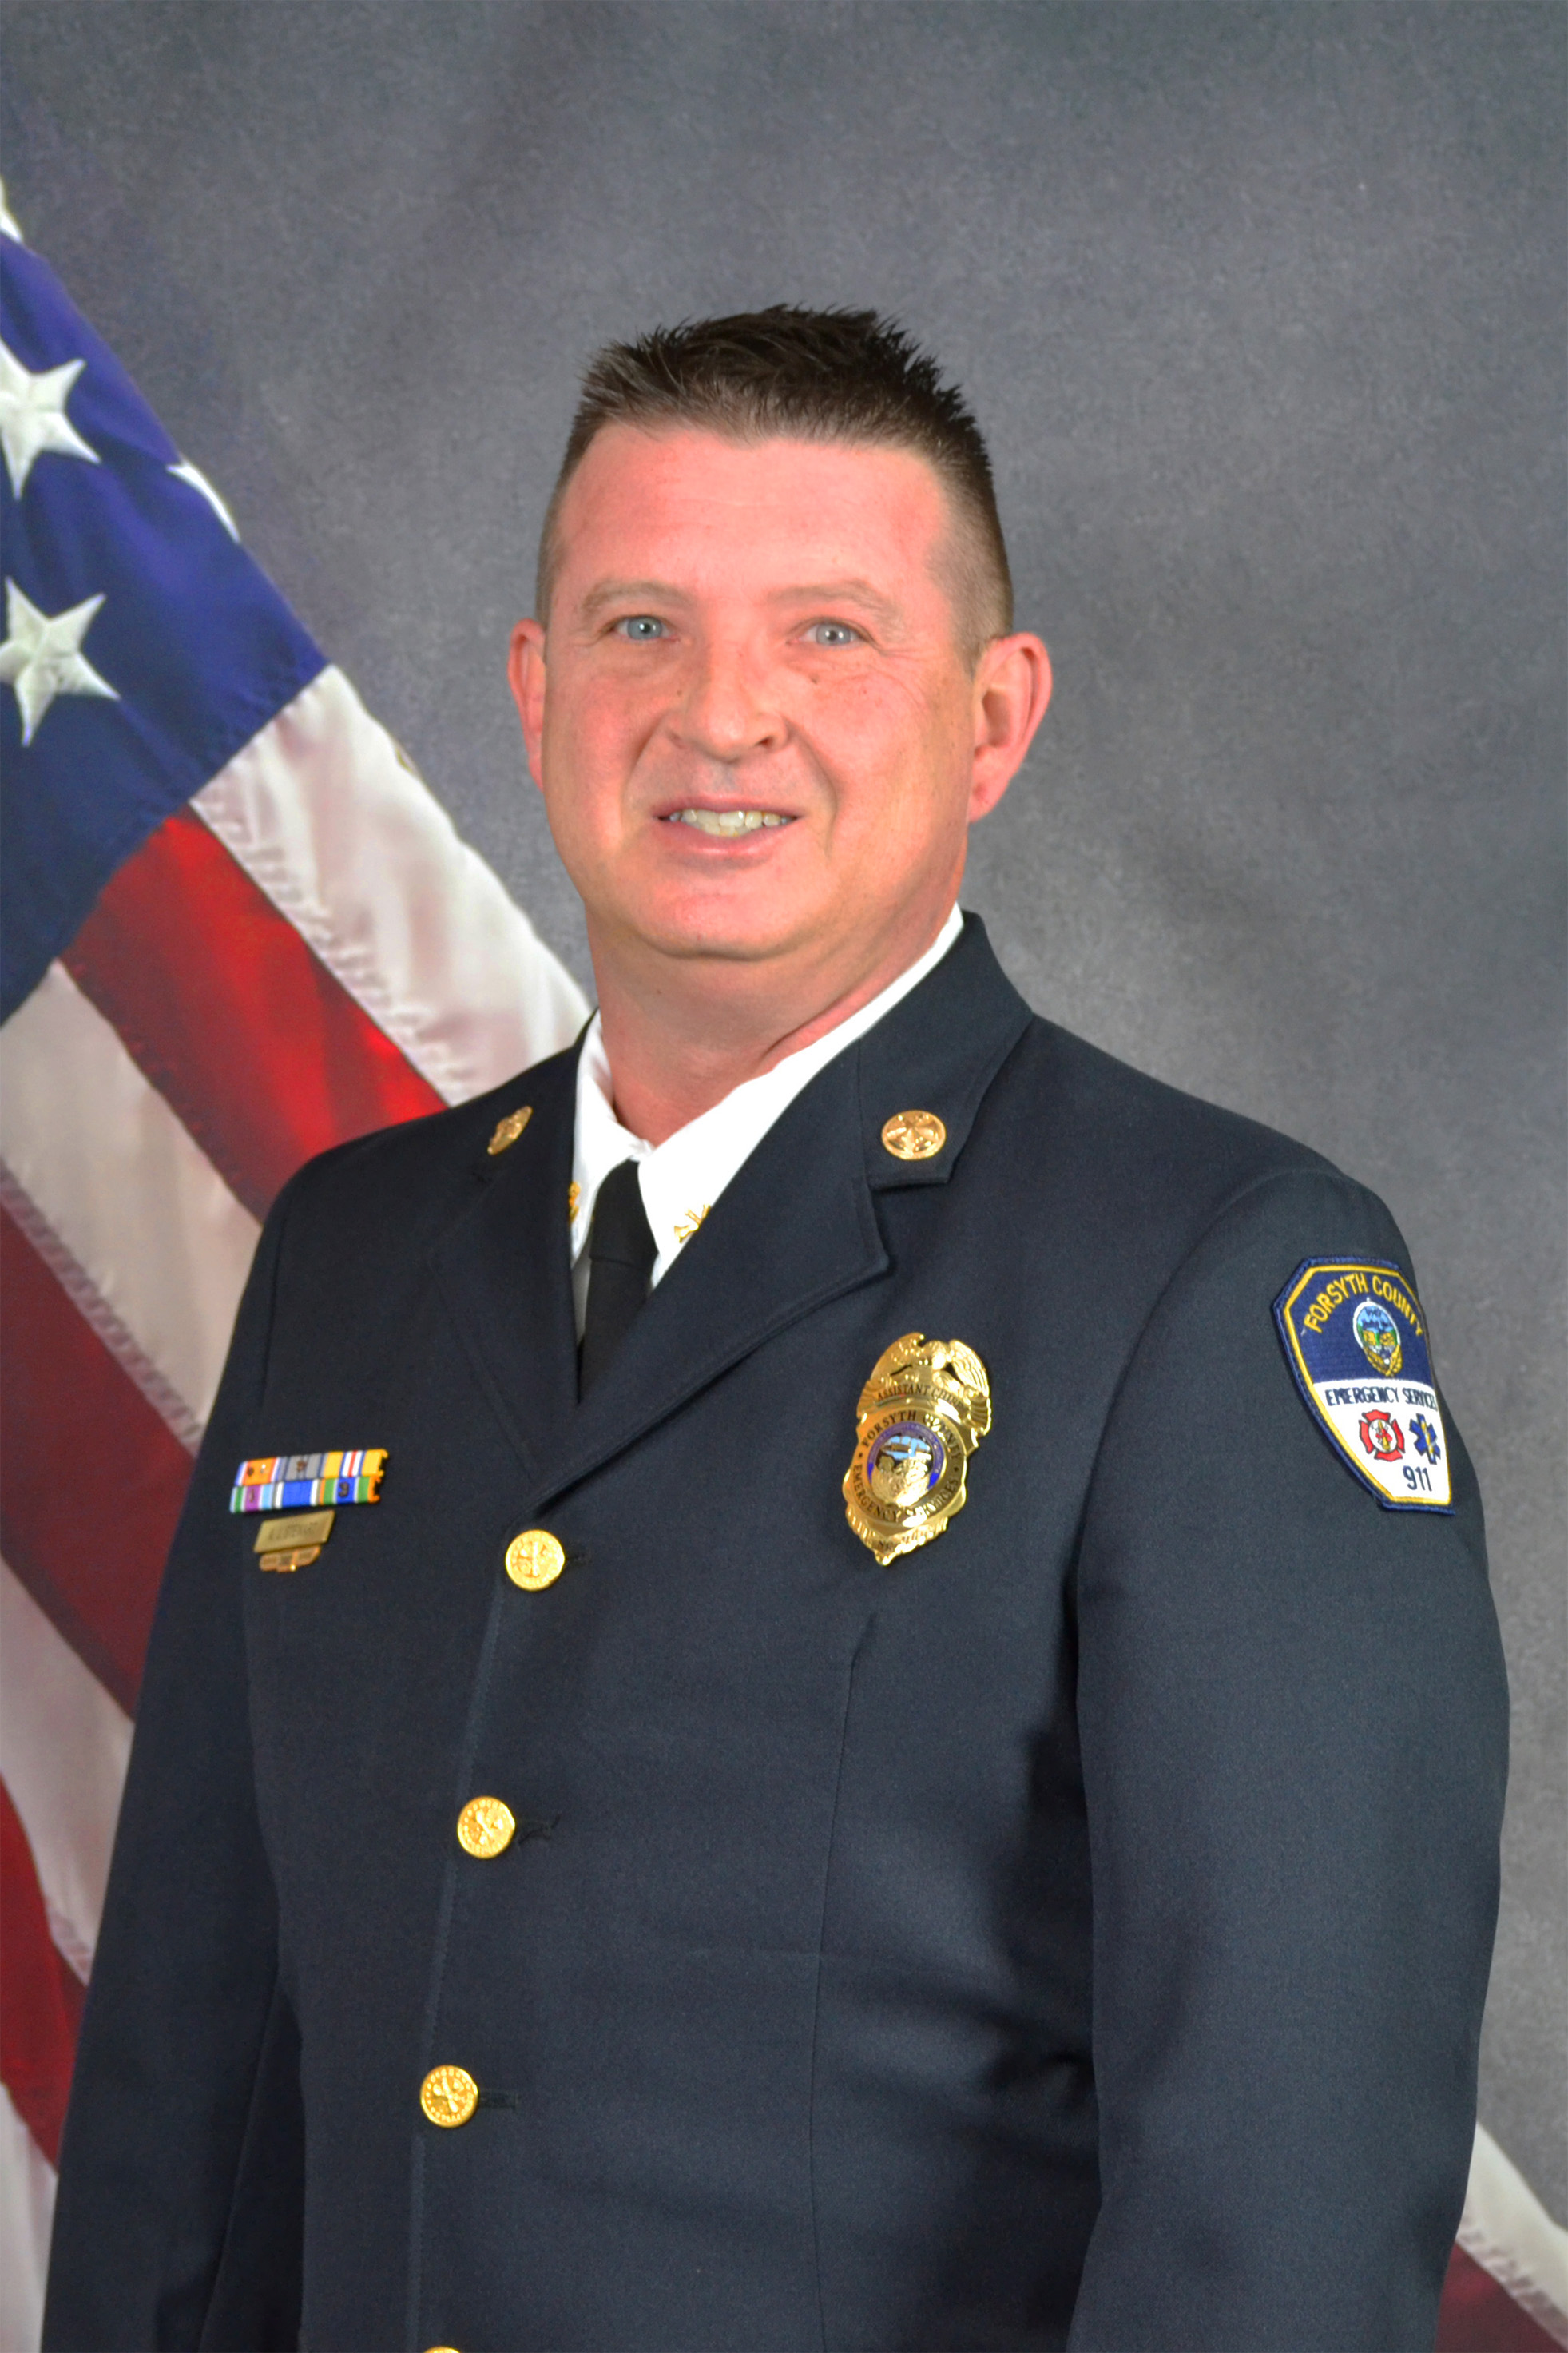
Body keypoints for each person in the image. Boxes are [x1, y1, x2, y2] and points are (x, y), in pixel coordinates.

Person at [45, 308, 1507, 2353]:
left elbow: (1280, 2211)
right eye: (640, 628)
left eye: (829, 635)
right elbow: (191, 2120)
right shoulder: (352, 1258)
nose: (720, 718)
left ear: (992, 720)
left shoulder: (1209, 1274)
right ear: (536, 693)